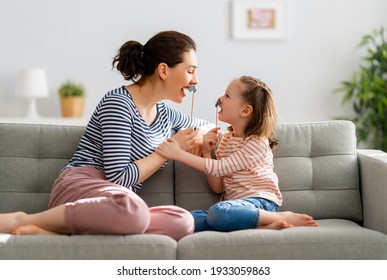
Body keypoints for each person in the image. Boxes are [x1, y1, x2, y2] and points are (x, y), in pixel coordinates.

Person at [0, 31, 211, 240]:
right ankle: (23, 220)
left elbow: (208, 125)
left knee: (182, 221)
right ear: (163, 70)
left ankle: (53, 231)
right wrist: (168, 151)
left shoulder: (166, 114)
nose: (196, 81)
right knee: (134, 210)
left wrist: (200, 133)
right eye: (190, 71)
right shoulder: (118, 104)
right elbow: (118, 177)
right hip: (83, 187)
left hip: (119, 202)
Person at [156, 75, 319, 231]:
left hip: (260, 204)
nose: (220, 98)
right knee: (189, 219)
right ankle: (260, 227)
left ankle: (277, 217)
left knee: (218, 212)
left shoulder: (257, 142)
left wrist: (178, 154)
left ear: (245, 110)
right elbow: (218, 188)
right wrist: (206, 152)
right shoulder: (227, 140)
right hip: (236, 207)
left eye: (227, 96)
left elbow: (220, 168)